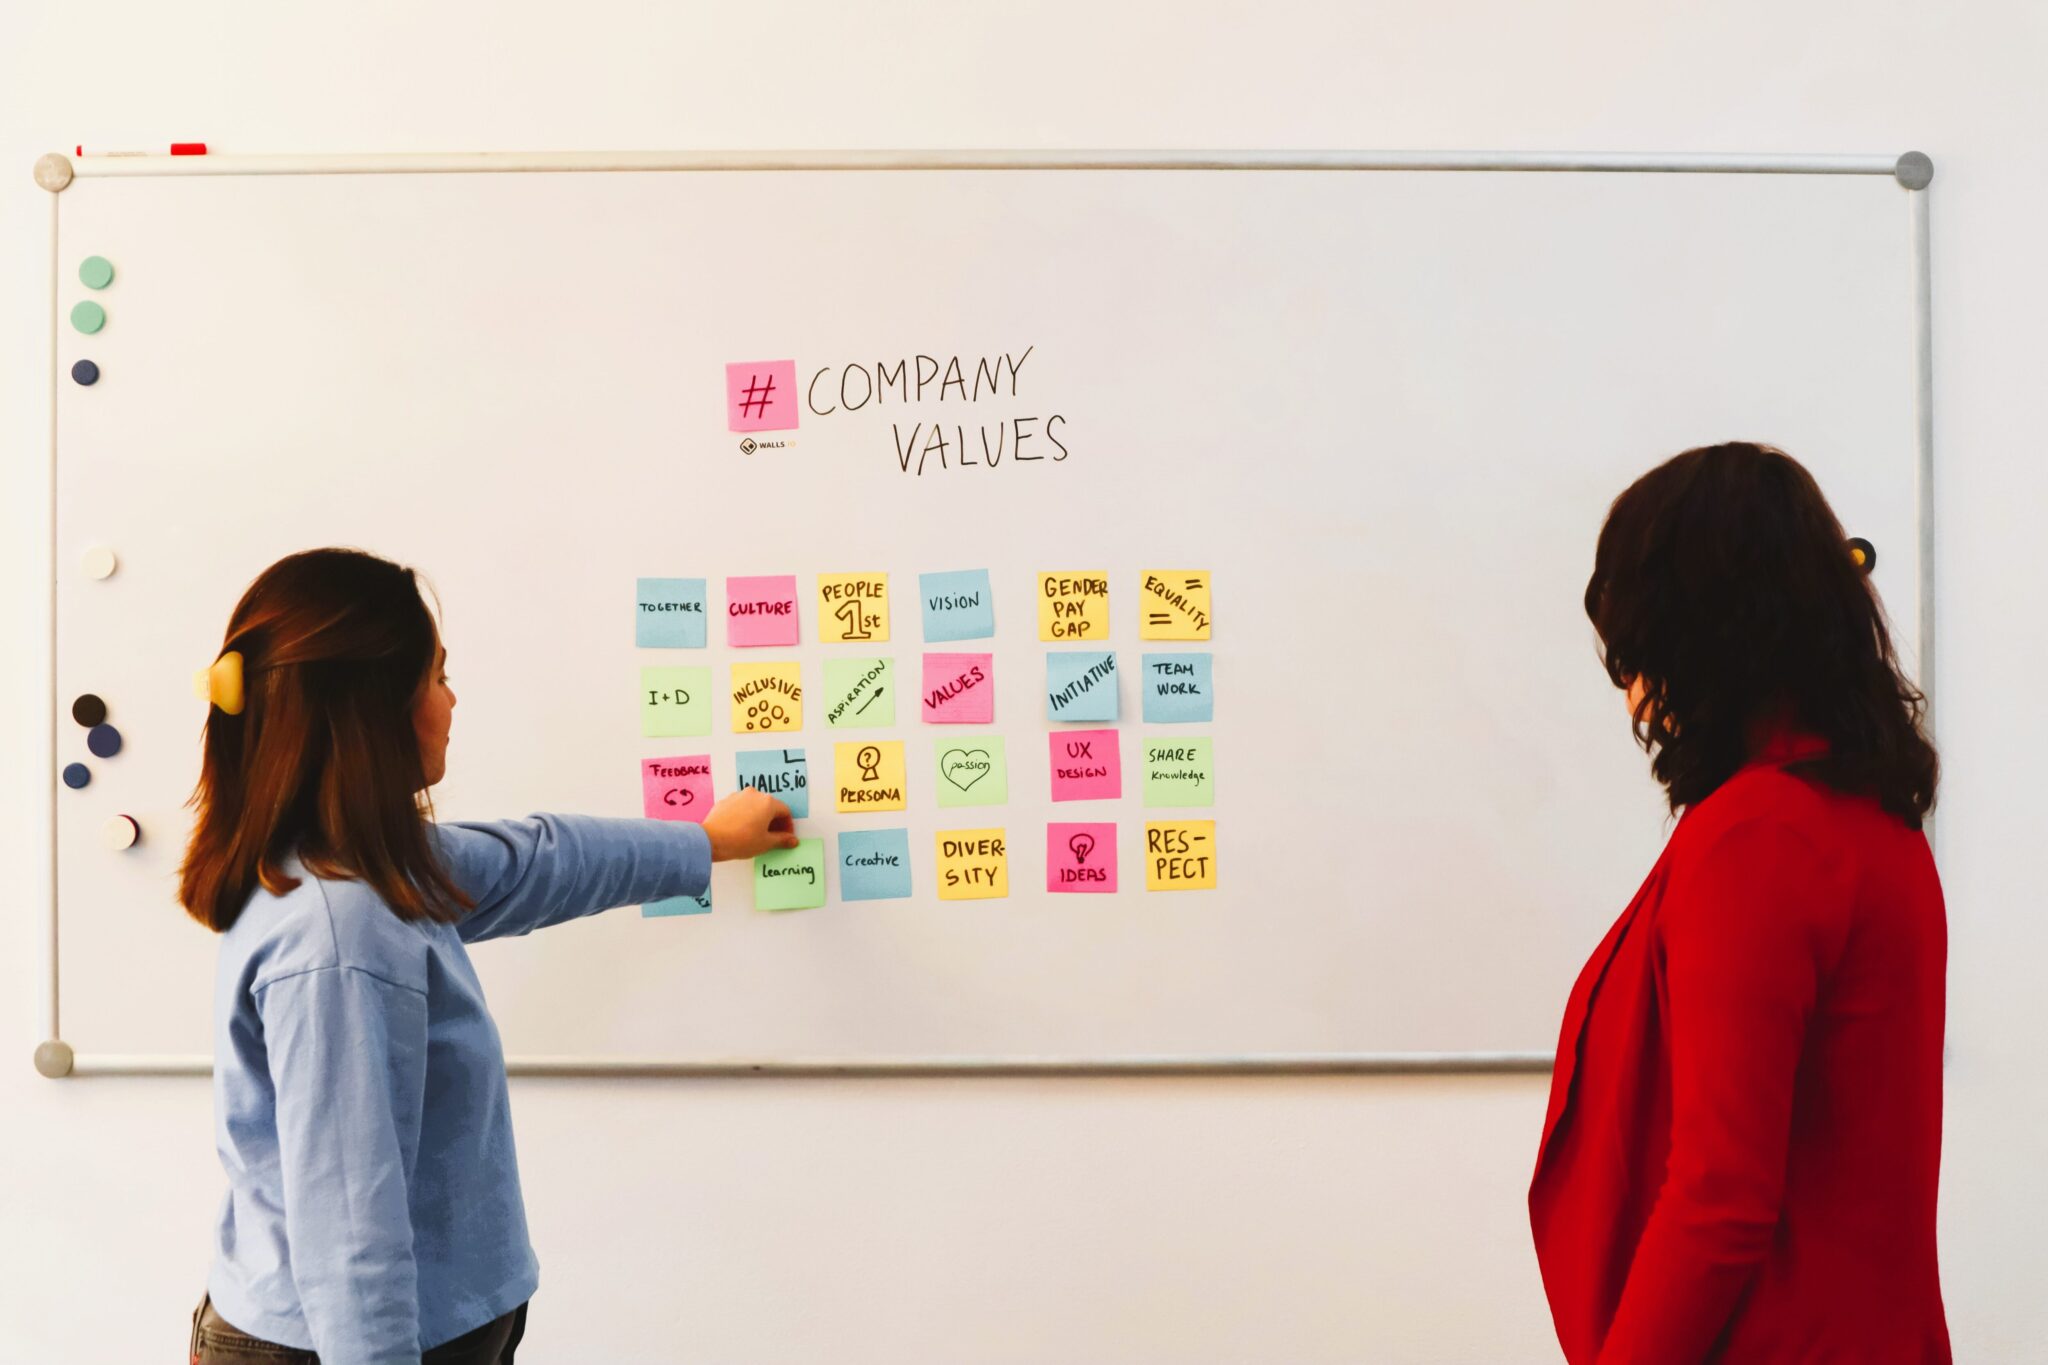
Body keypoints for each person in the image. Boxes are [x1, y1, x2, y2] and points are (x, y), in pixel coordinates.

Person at [180, 548, 797, 1365]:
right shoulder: (337, 934)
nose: (450, 698)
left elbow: (537, 861)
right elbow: (350, 1242)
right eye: (437, 676)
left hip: (445, 1319)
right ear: (378, 709)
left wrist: (706, 842)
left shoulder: (372, 865)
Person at [1529, 442, 1950, 1361]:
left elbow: (1719, 1196)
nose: (1640, 698)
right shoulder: (1875, 825)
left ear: (1708, 636)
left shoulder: (1759, 838)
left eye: (1644, 655)